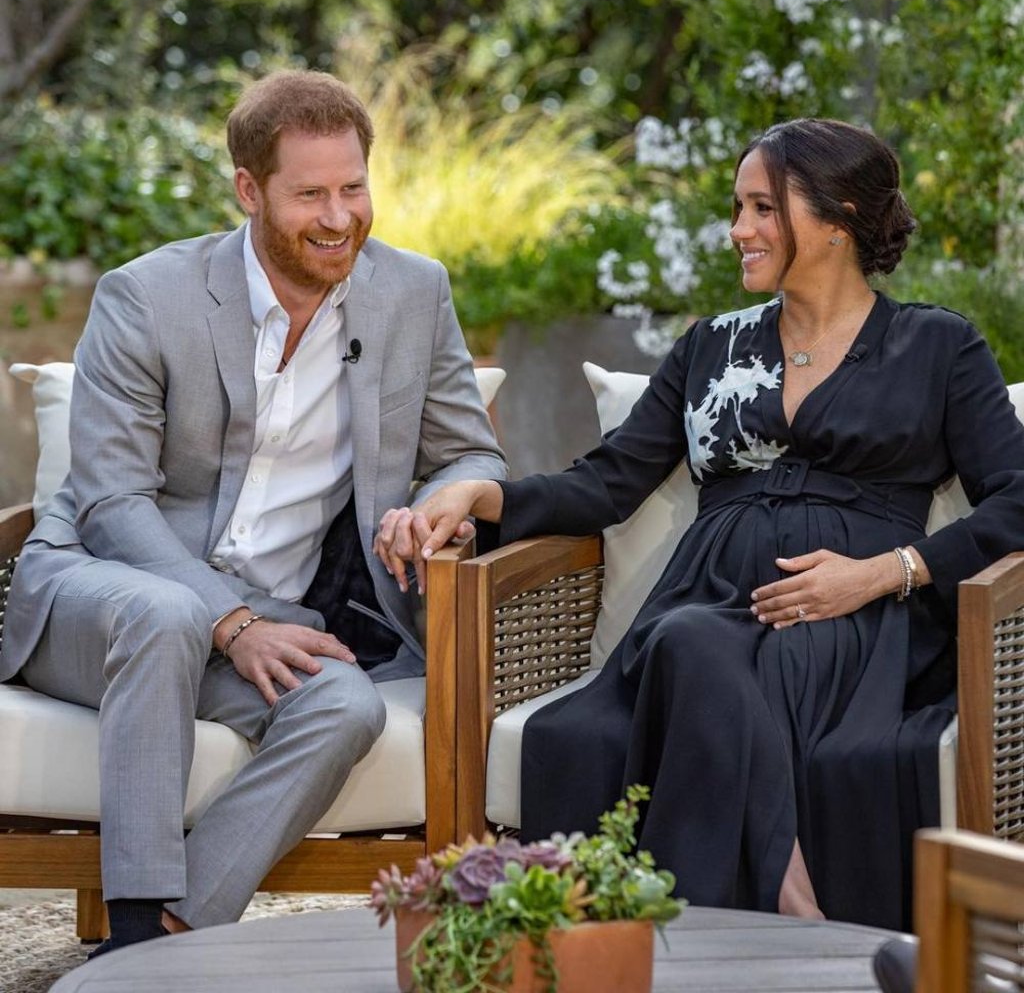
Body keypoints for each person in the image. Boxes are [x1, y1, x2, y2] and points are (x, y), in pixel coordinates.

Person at [375, 118, 1024, 930]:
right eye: (738, 208)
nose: (739, 229)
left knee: (691, 647)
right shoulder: (710, 348)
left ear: (839, 219)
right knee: (684, 644)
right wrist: (482, 495)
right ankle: (791, 904)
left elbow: (1016, 497)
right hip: (710, 598)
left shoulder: (937, 346)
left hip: (855, 619)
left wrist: (885, 573)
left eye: (763, 208)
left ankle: (708, 933)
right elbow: (606, 483)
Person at [0, 69, 506, 955]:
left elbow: (471, 452)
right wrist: (232, 623)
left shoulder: (413, 293)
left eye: (353, 188)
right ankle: (133, 927)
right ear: (249, 190)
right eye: (310, 195)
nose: (340, 217)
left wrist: (443, 498)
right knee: (165, 613)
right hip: (99, 595)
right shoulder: (146, 296)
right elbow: (112, 504)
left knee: (345, 706)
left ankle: (169, 934)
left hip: (269, 617)